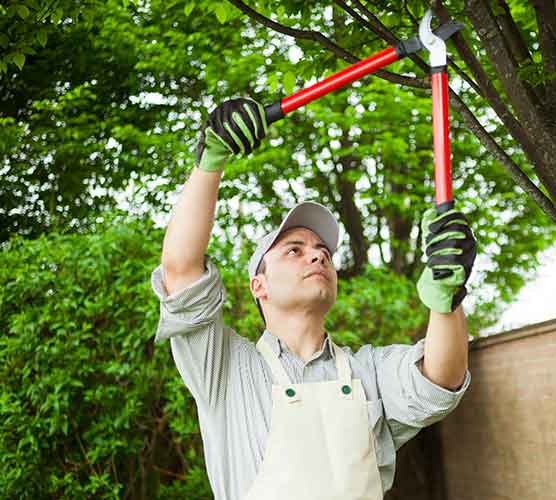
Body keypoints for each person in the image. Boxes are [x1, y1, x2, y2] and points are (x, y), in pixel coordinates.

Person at [150, 98, 477, 499]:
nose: (318, 254)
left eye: (323, 250)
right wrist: (210, 160)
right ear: (260, 286)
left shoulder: (367, 371)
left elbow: (439, 380)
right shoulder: (226, 370)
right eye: (294, 249)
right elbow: (181, 270)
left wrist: (447, 298)